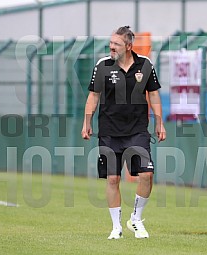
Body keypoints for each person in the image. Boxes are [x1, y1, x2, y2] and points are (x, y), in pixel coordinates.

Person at [81, 26, 166, 239]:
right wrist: (87, 121)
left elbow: (153, 95)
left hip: (137, 130)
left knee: (146, 174)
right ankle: (116, 227)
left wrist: (159, 122)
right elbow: (93, 96)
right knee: (112, 179)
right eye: (110, 43)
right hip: (109, 132)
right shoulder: (102, 66)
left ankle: (136, 219)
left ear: (128, 46)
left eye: (116, 44)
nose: (111, 47)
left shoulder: (145, 65)